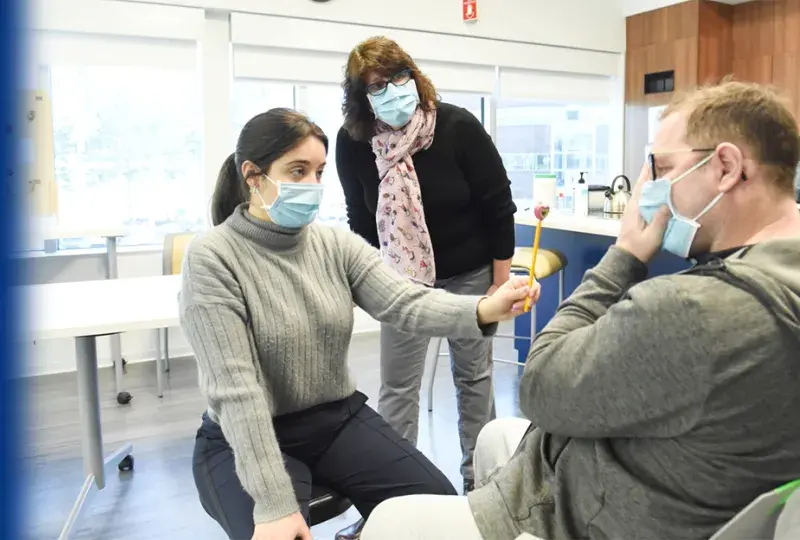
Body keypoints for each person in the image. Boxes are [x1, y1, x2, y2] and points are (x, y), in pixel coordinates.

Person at [358, 80, 800, 539]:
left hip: (576, 516)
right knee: (494, 438)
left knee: (390, 520)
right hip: (676, 482)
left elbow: (540, 384)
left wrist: (626, 254)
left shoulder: (694, 310)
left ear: (726, 167)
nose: (648, 187)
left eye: (661, 167)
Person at [180, 108, 539, 540]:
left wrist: (483, 309)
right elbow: (235, 391)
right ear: (253, 175)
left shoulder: (334, 244)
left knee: (434, 507)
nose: (313, 185)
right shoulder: (212, 258)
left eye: (318, 172)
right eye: (298, 171)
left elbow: (404, 302)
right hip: (245, 433)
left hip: (334, 421)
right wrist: (274, 505)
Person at [336, 36, 517, 494]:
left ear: (415, 77)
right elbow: (360, 220)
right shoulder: (353, 142)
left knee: (474, 379)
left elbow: (498, 204)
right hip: (401, 283)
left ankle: (485, 488)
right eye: (378, 85)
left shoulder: (456, 126)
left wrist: (498, 283)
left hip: (471, 274)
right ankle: (394, 493)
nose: (394, 89)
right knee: (398, 388)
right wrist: (372, 282)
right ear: (361, 98)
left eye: (400, 77)